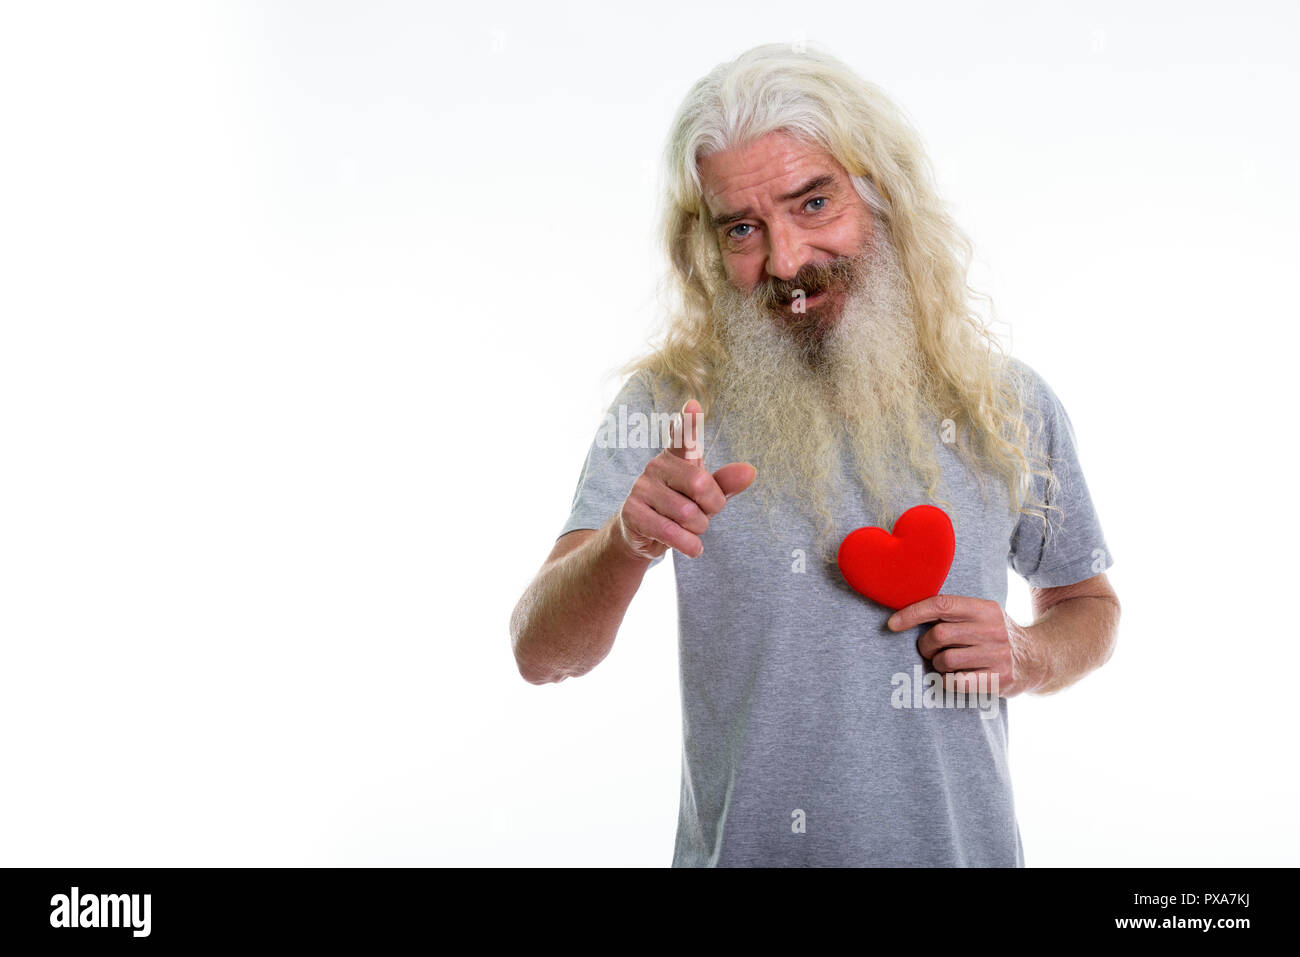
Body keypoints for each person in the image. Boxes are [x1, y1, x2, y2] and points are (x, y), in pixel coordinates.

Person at [509, 42, 1120, 867]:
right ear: (709, 247)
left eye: (814, 202)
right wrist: (626, 541)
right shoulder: (668, 408)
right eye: (743, 228)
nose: (786, 261)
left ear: (882, 197)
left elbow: (1087, 601)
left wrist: (1033, 653)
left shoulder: (1006, 402)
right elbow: (541, 652)